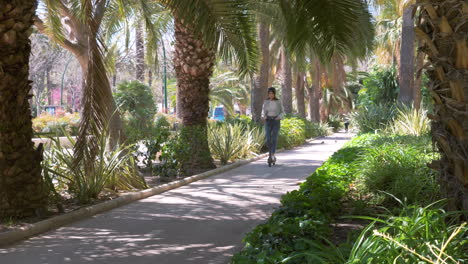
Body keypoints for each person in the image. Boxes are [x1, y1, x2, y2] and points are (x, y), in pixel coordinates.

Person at [262, 87, 284, 162]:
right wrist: (264, 116)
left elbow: (282, 112)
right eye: (269, 93)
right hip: (268, 120)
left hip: (276, 120)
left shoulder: (278, 102)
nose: (270, 95)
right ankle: (269, 153)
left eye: (272, 93)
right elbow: (263, 111)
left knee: (274, 138)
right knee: (268, 138)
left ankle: (273, 154)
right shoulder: (266, 102)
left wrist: (279, 117)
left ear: (274, 94)